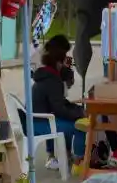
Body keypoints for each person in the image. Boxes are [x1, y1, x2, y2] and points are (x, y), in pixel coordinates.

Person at [31, 35, 86, 168]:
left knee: (70, 119)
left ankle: (67, 156)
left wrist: (76, 110)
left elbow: (58, 102)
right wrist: (79, 114)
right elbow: (59, 109)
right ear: (58, 62)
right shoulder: (53, 79)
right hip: (41, 122)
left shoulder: (44, 74)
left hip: (35, 119)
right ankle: (79, 162)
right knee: (80, 127)